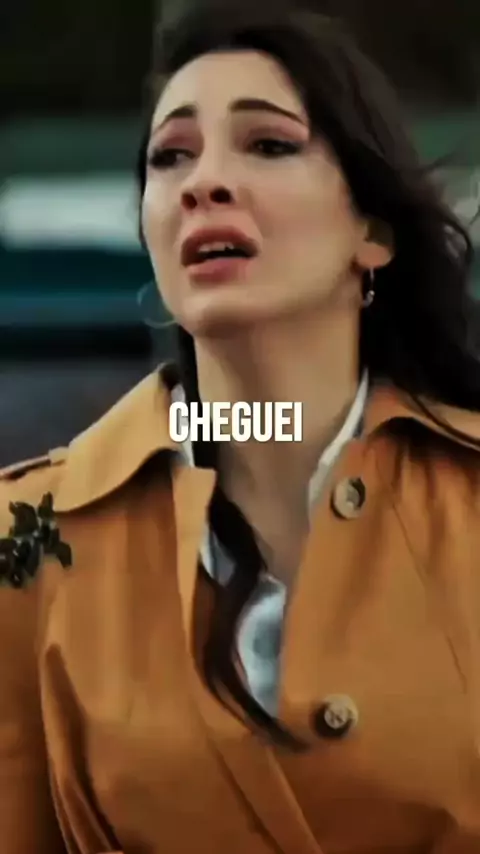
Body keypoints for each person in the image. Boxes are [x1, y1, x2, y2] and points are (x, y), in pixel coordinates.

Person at [1, 1, 480, 852]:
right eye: (170, 156)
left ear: (372, 232)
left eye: (268, 144)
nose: (203, 182)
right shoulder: (24, 544)